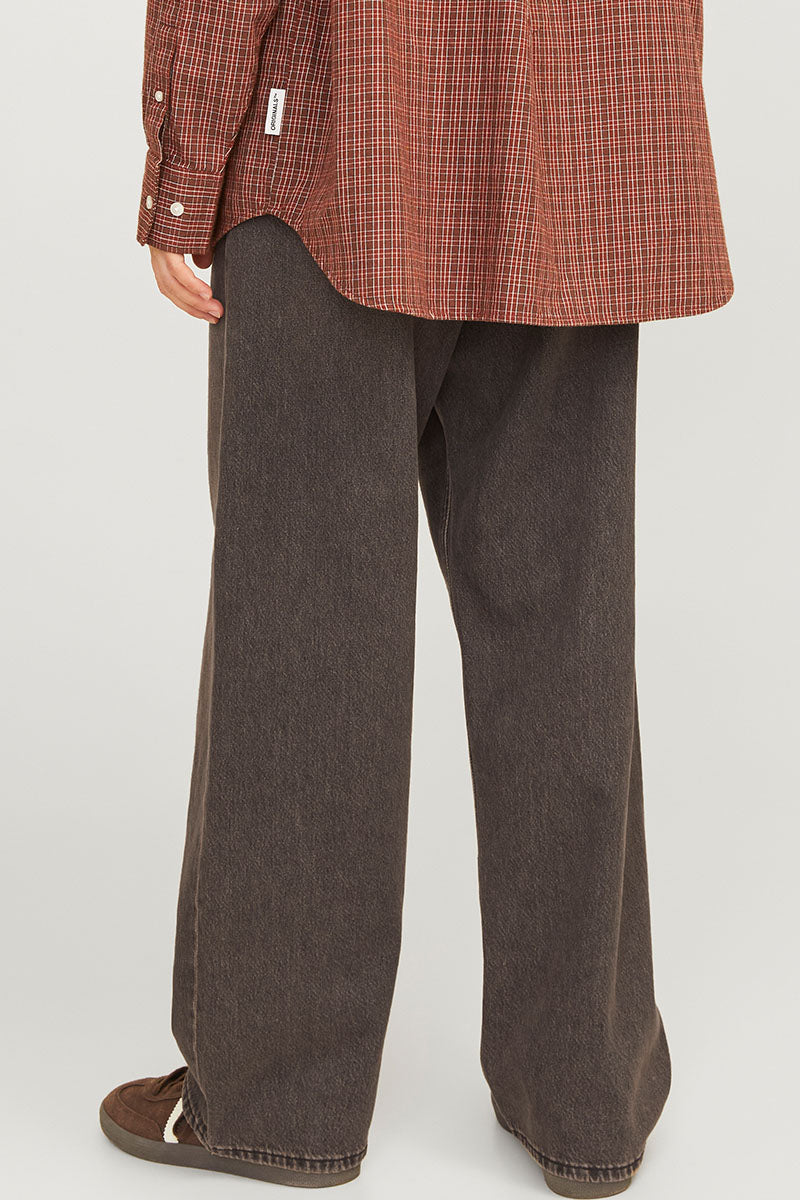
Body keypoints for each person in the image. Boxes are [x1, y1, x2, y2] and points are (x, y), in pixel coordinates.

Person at [99, 4, 733, 1198]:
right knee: (564, 627)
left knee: (303, 626)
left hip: (336, 150)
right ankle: (584, 1100)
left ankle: (274, 1103)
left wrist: (184, 178)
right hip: (580, 153)